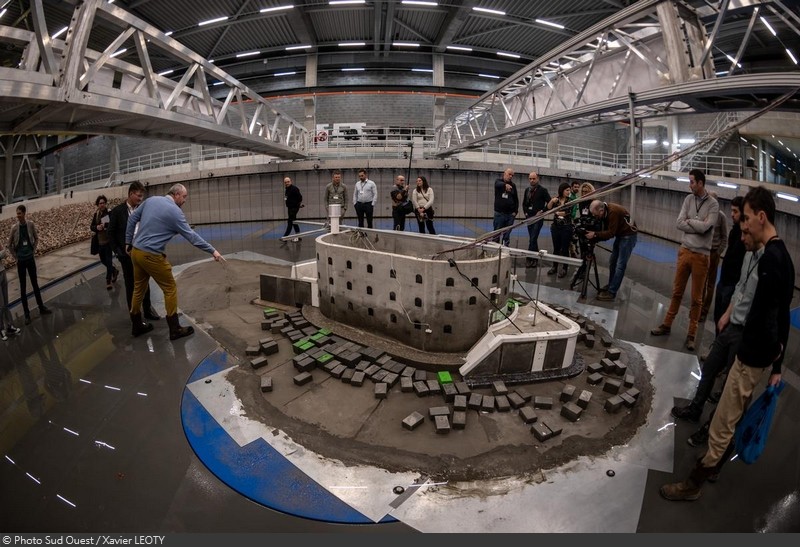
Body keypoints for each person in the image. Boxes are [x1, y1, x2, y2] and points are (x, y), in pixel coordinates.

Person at [660, 186, 794, 502]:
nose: (742, 225)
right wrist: (775, 361)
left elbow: (769, 317)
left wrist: (765, 357)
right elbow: (777, 311)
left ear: (761, 217)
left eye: (746, 219)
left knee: (722, 424)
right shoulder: (775, 256)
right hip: (753, 352)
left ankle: (693, 484)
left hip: (750, 355)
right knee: (726, 415)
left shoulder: (771, 261)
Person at [669, 214, 761, 429]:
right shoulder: (749, 255)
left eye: (746, 232)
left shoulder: (772, 260)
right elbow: (741, 287)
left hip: (746, 333)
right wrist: (727, 313)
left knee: (731, 385)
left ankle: (713, 428)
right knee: (709, 368)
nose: (741, 237)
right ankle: (695, 409)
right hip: (731, 325)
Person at [125, 183, 225, 340]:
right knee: (170, 288)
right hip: (151, 255)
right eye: (184, 197)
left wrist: (128, 242)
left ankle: (136, 325)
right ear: (176, 195)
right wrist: (213, 250)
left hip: (136, 252)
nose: (185, 200)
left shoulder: (151, 200)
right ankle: (175, 328)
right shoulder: (175, 212)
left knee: (139, 288)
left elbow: (132, 219)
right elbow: (192, 237)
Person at [650, 169, 719, 352]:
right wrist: (696, 222)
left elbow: (706, 228)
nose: (690, 185)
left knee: (697, 299)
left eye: (692, 182)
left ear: (701, 183)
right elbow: (679, 222)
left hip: (701, 256)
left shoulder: (713, 205)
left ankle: (691, 334)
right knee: (676, 292)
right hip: (685, 251)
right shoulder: (688, 200)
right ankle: (666, 324)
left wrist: (691, 221)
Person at [107, 181, 160, 321]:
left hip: (143, 252)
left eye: (142, 196)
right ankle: (135, 316)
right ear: (131, 194)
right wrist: (118, 252)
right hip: (127, 255)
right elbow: (110, 234)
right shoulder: (117, 212)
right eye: (138, 195)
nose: (140, 199)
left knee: (145, 283)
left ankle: (148, 311)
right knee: (131, 285)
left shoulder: (142, 209)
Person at [8, 205, 52, 325]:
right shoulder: (14, 228)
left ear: (24, 213)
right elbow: (9, 244)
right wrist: (16, 257)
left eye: (19, 213)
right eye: (17, 213)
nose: (18, 216)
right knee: (23, 287)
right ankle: (26, 314)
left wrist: (33, 251)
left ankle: (41, 307)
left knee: (35, 284)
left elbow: (36, 238)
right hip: (21, 261)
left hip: (30, 259)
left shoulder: (30, 224)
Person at [586, 200, 638, 301]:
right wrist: (595, 237)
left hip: (628, 236)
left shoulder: (612, 212)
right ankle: (611, 285)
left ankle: (612, 292)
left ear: (601, 211)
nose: (594, 216)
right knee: (612, 262)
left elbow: (610, 233)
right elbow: (608, 233)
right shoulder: (605, 212)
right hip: (621, 235)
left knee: (620, 265)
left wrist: (595, 234)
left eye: (595, 214)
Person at [699, 192, 728, 323]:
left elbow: (724, 237)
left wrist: (718, 252)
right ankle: (698, 308)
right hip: (703, 251)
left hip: (714, 253)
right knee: (701, 282)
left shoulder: (721, 217)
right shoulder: (705, 214)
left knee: (710, 284)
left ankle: (704, 311)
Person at [90, 194, 120, 291]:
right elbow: (92, 226)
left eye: (103, 203)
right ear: (98, 205)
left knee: (108, 260)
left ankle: (108, 280)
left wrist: (105, 225)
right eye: (100, 203)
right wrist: (97, 227)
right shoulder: (96, 214)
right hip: (100, 242)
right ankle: (114, 270)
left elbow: (111, 224)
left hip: (107, 241)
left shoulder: (109, 213)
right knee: (103, 261)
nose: (102, 205)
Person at [521, 171, 550, 268]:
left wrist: (542, 211)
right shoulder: (527, 190)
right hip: (529, 218)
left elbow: (550, 203)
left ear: (538, 179)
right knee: (533, 239)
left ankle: (529, 259)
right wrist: (525, 213)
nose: (532, 180)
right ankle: (535, 259)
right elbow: (524, 203)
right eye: (530, 179)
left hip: (538, 219)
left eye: (534, 178)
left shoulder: (543, 190)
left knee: (533, 238)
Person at [546, 182, 573, 278]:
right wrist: (552, 201)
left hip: (566, 228)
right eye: (567, 190)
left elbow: (564, 213)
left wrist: (555, 211)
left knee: (565, 249)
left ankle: (564, 268)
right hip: (556, 227)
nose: (568, 192)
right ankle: (554, 267)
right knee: (556, 248)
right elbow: (548, 208)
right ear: (562, 190)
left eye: (569, 190)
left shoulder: (570, 201)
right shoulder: (556, 200)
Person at [0, 242, 22, 341]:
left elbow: (4, 253)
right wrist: (2, 252)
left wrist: (2, 252)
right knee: (0, 305)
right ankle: (1, 329)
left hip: (2, 272)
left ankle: (9, 326)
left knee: (6, 303)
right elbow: (2, 253)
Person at [493, 167, 519, 246]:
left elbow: (516, 199)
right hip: (499, 214)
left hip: (510, 215)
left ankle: (505, 249)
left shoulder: (513, 186)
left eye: (512, 175)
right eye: (509, 174)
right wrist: (505, 185)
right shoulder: (498, 182)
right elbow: (498, 184)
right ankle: (494, 250)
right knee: (496, 234)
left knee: (507, 235)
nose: (511, 176)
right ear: (504, 174)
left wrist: (515, 211)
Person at [282, 176, 303, 241]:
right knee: (294, 222)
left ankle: (285, 237)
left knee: (290, 221)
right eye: (285, 182)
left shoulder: (294, 189)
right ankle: (299, 236)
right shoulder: (286, 190)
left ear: (290, 181)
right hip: (289, 208)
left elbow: (300, 197)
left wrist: (297, 205)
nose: (287, 183)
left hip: (294, 208)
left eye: (288, 182)